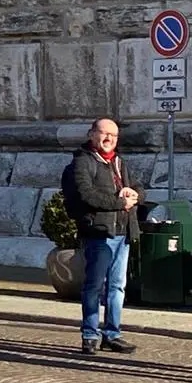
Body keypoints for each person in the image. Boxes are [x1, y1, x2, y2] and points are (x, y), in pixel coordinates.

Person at [61, 117, 140, 356]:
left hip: (121, 232)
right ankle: (89, 334)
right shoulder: (83, 162)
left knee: (117, 287)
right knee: (94, 286)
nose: (109, 139)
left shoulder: (119, 162)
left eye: (114, 136)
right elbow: (87, 195)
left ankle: (112, 334)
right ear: (92, 134)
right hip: (99, 233)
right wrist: (120, 203)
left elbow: (139, 188)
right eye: (104, 134)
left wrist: (134, 193)